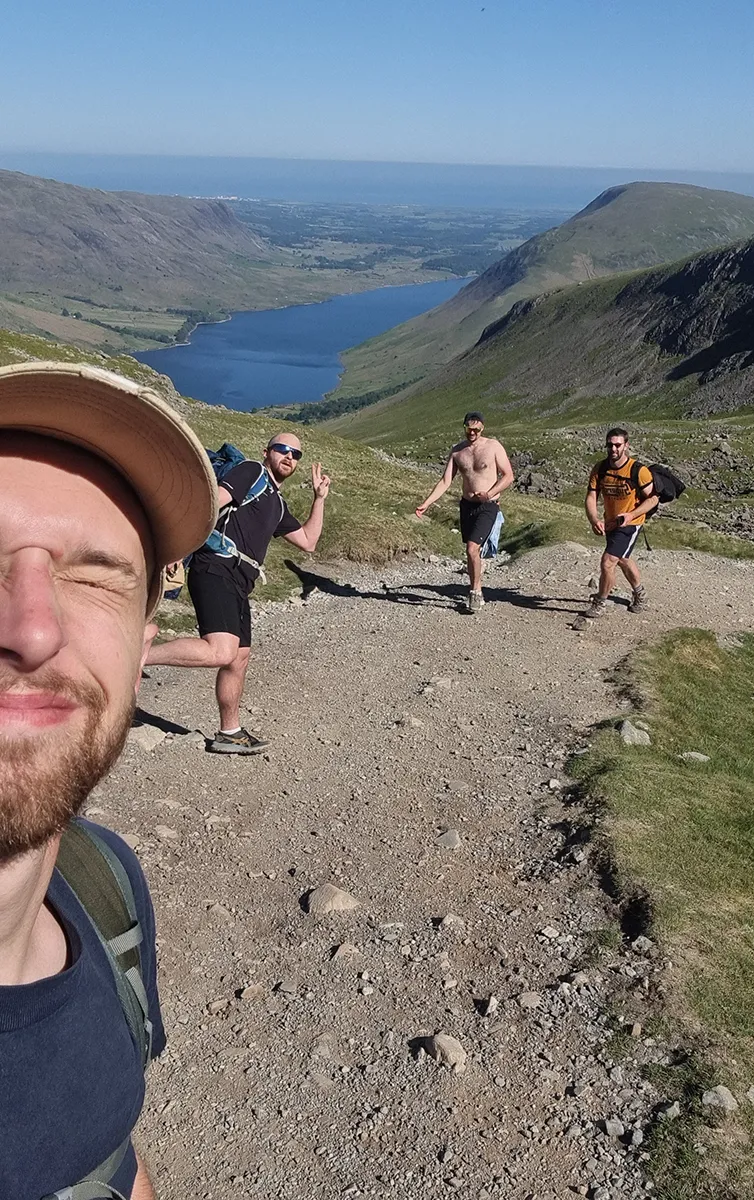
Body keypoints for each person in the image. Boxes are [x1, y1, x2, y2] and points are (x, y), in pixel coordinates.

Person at [0, 361, 219, 1200]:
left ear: (141, 648)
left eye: (94, 576)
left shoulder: (103, 885)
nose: (30, 629)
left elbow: (112, 1158)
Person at [146, 433, 331, 753]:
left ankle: (229, 732)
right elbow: (209, 502)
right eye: (283, 450)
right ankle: (136, 656)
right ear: (267, 452)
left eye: (296, 454)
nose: (290, 457)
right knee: (221, 651)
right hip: (215, 567)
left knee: (238, 659)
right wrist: (178, 544)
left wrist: (319, 499)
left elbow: (309, 542)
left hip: (240, 583)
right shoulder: (251, 472)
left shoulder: (276, 502)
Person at [415, 412, 514, 612]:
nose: (472, 433)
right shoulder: (457, 451)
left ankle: (475, 592)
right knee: (471, 552)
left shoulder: (493, 446)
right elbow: (445, 481)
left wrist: (490, 493)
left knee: (471, 548)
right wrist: (427, 503)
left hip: (488, 505)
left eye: (476, 429)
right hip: (467, 505)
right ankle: (475, 584)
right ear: (464, 427)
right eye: (469, 429)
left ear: (482, 429)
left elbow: (508, 475)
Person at [584, 427, 658, 617]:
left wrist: (631, 515)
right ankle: (640, 594)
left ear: (626, 445)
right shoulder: (600, 468)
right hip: (611, 523)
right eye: (610, 445)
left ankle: (600, 602)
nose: (614, 449)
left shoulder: (638, 470)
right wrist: (594, 519)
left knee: (608, 562)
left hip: (630, 524)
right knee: (623, 559)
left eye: (618, 445)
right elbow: (591, 496)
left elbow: (653, 499)